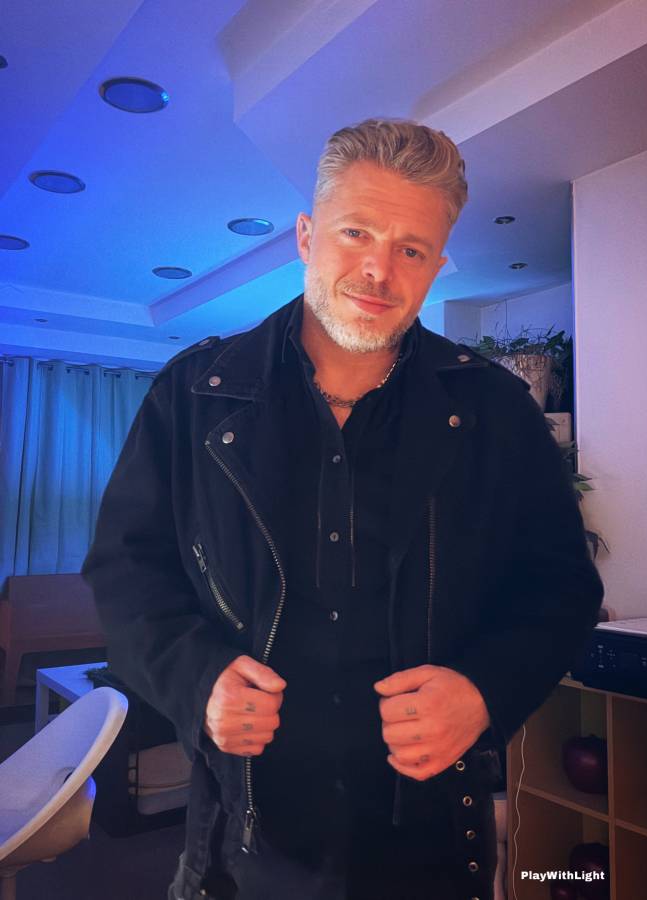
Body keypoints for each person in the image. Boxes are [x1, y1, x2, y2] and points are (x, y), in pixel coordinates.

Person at [82, 118, 604, 900]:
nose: (377, 271)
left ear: (437, 265)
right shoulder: (192, 395)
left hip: (429, 847)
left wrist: (483, 690)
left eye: (411, 249)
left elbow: (560, 588)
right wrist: (196, 678)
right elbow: (126, 571)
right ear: (305, 236)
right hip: (238, 848)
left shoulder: (495, 410)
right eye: (355, 232)